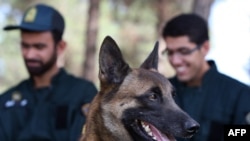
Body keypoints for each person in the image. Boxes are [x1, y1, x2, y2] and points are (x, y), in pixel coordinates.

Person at [0, 4, 97, 141]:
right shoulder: (6, 101)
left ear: (60, 47)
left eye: (39, 47)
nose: (29, 54)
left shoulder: (82, 94)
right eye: (25, 46)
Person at [161, 13, 250, 141]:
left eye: (184, 51)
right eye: (170, 52)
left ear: (205, 48)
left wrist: (223, 134)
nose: (175, 61)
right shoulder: (160, 93)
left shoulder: (241, 94)